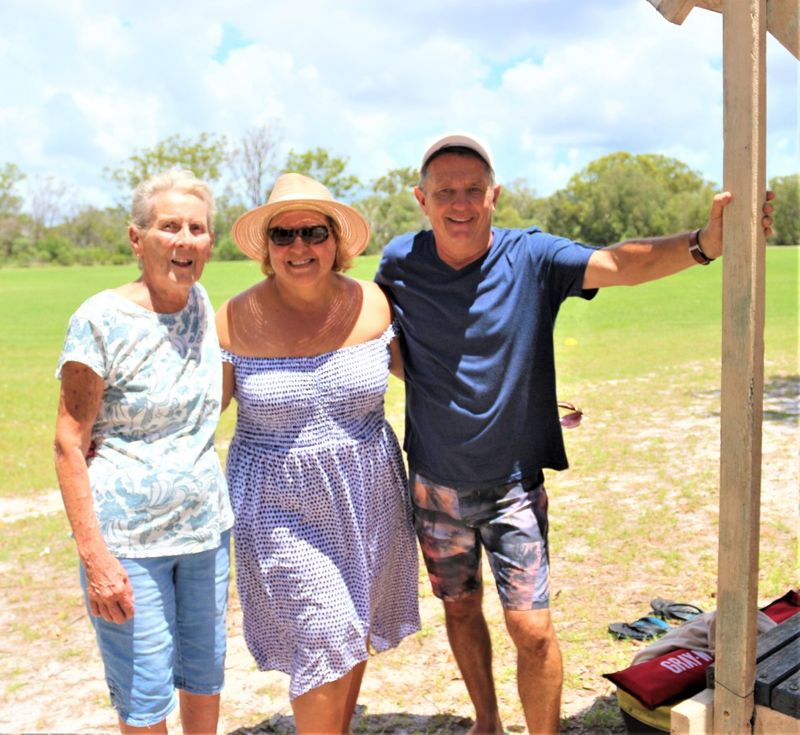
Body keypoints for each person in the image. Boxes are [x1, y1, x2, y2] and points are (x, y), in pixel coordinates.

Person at [374, 132, 775, 735]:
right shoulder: (399, 264)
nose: (460, 203)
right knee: (459, 610)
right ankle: (485, 719)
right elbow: (384, 343)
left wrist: (703, 244)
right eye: (445, 192)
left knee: (531, 630)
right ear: (421, 199)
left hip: (512, 486)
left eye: (473, 190)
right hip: (434, 482)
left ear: (495, 195)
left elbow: (619, 261)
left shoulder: (531, 256)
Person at [217, 172, 420, 734]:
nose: (299, 247)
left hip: (368, 494)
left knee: (354, 629)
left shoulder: (374, 304)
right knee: (325, 629)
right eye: (283, 236)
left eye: (312, 232)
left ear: (336, 241)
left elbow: (434, 379)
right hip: (276, 506)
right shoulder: (233, 318)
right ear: (266, 249)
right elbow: (197, 410)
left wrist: (521, 400)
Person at [53, 169, 234, 734]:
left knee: (205, 676)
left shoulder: (203, 303)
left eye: (197, 228)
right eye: (169, 226)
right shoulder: (99, 320)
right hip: (128, 545)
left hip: (205, 531)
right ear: (138, 238)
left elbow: (207, 397)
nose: (185, 240)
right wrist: (95, 557)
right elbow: (68, 441)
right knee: (145, 695)